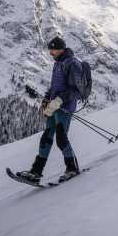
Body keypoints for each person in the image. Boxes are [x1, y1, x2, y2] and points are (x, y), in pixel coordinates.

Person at [16, 36, 86, 184]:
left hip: (65, 108)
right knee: (46, 137)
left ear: (60, 49)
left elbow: (76, 90)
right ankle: (36, 171)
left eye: (53, 50)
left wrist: (59, 100)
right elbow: (55, 87)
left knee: (61, 138)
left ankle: (72, 167)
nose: (50, 53)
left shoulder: (72, 64)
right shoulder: (58, 63)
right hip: (54, 106)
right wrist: (47, 99)